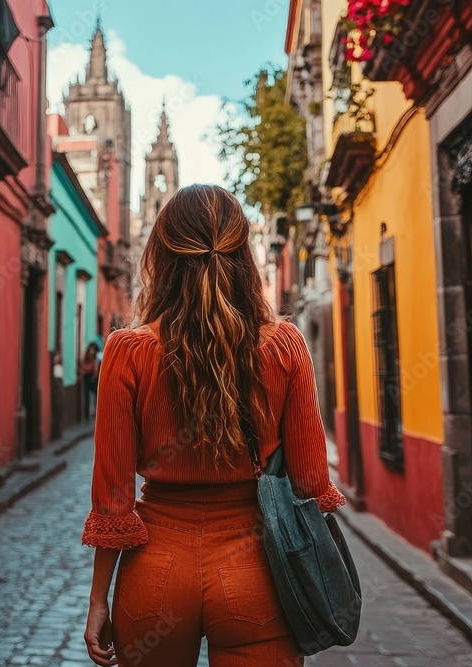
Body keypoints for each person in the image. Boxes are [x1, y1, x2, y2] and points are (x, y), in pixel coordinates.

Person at [81, 184, 345, 666]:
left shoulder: (126, 352)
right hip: (255, 574)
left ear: (160, 256)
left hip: (155, 576)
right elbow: (310, 483)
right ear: (242, 253)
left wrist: (99, 599)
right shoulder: (284, 347)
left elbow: (113, 501)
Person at [80, 342, 100, 422]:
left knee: (95, 396)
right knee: (88, 396)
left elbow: (96, 369)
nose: (92, 351)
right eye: (91, 349)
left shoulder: (96, 358)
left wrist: (94, 376)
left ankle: (95, 413)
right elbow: (83, 366)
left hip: (94, 378)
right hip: (87, 378)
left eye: (93, 350)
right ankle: (88, 414)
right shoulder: (87, 358)